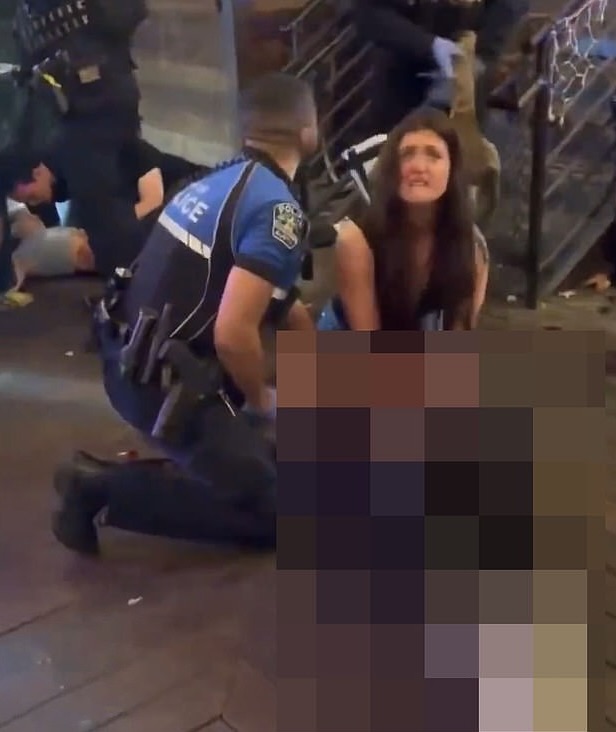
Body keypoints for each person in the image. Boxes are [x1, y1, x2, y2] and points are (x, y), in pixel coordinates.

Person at [51, 72, 318, 556]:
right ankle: (96, 488)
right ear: (309, 131)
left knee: (275, 462)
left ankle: (214, 460)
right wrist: (262, 399)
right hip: (167, 388)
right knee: (279, 513)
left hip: (128, 357)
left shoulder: (216, 180)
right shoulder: (278, 210)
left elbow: (285, 304)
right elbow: (234, 334)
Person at [318, 108, 489, 331]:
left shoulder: (471, 247)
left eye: (433, 155)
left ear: (452, 169)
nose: (418, 167)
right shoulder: (356, 240)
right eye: (407, 154)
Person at [5, 138, 204, 275]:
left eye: (32, 197)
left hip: (195, 190)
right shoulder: (62, 175)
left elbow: (153, 201)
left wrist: (106, 237)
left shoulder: (90, 153)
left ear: (38, 172)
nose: (34, 203)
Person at [353, 0, 529, 135]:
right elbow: (370, 15)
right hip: (401, 81)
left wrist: (481, 53)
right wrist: (430, 45)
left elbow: (509, 8)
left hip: (466, 83)